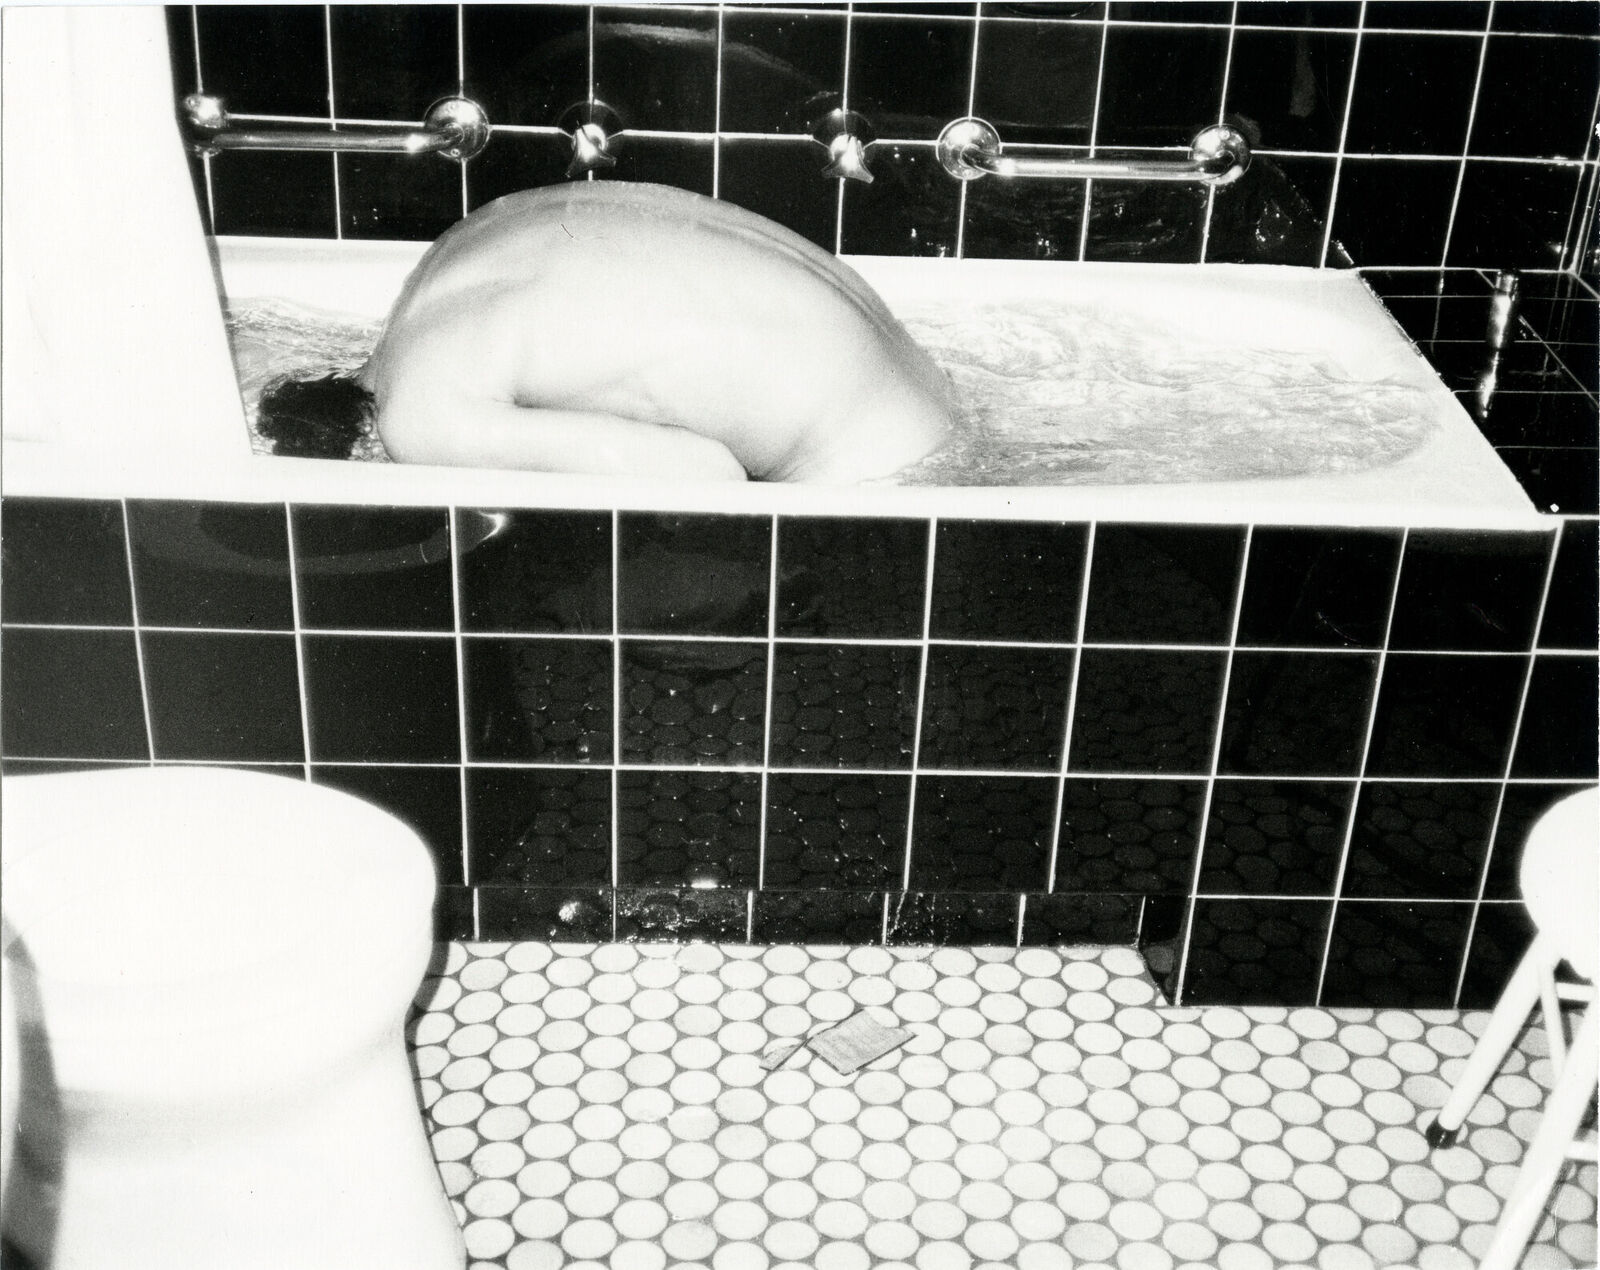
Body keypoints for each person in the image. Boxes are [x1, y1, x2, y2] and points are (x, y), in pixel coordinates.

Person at [257, 182, 954, 483]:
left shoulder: (420, 420)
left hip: (877, 456)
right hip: (906, 371)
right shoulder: (431, 282)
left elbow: (707, 476)